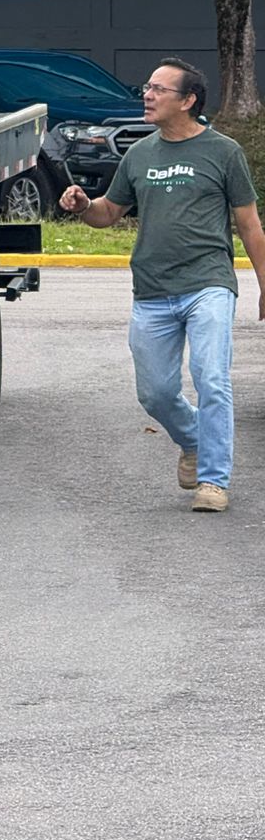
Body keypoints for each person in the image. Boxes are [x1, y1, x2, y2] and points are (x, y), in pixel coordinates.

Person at [60, 57, 265, 513]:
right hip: (152, 291)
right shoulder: (140, 154)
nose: (147, 95)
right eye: (147, 86)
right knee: (154, 393)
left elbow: (249, 225)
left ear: (188, 101)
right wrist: (81, 206)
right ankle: (193, 440)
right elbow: (108, 213)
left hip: (208, 283)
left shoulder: (223, 151)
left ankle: (213, 480)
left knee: (211, 378)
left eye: (158, 89)